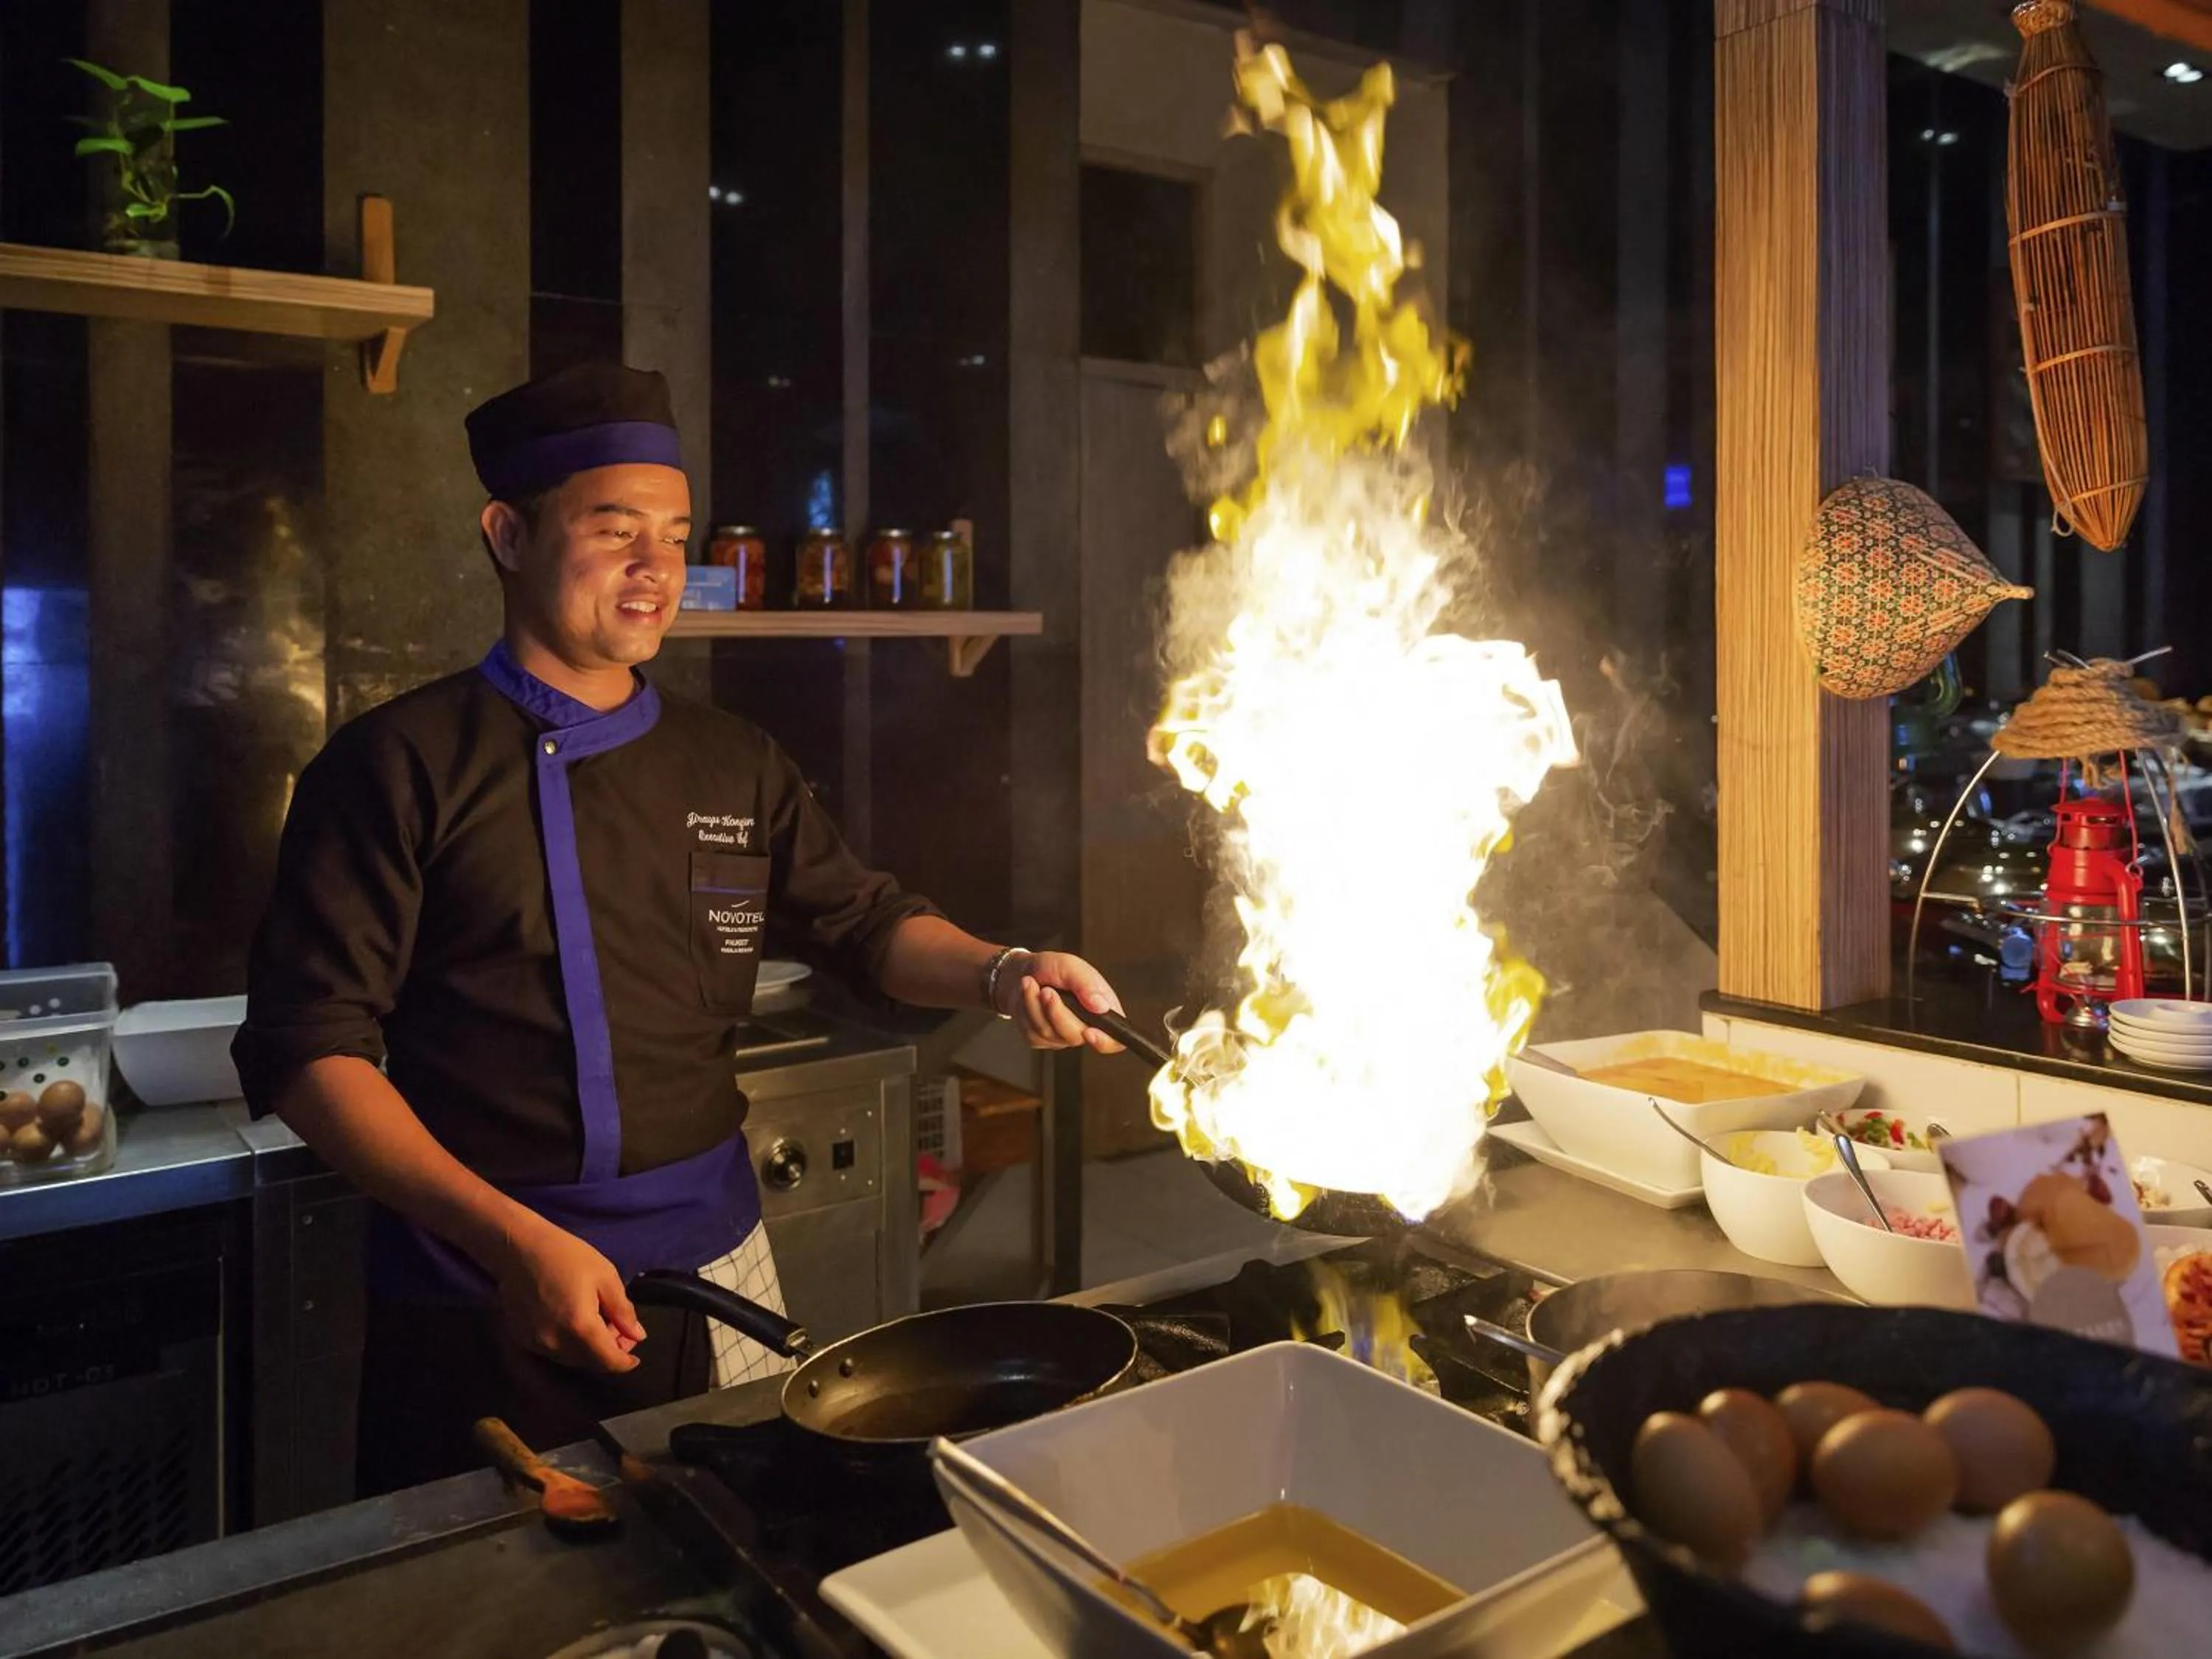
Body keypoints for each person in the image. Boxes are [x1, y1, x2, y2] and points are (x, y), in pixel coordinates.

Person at [233, 363, 1124, 1495]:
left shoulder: (729, 758)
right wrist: (513, 1242)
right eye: (616, 531)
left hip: (721, 1266)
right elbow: (313, 1052)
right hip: (481, 1289)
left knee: (746, 1567)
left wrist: (1006, 972)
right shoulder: (394, 768)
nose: (658, 568)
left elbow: (866, 920)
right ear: (507, 533)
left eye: (675, 532)